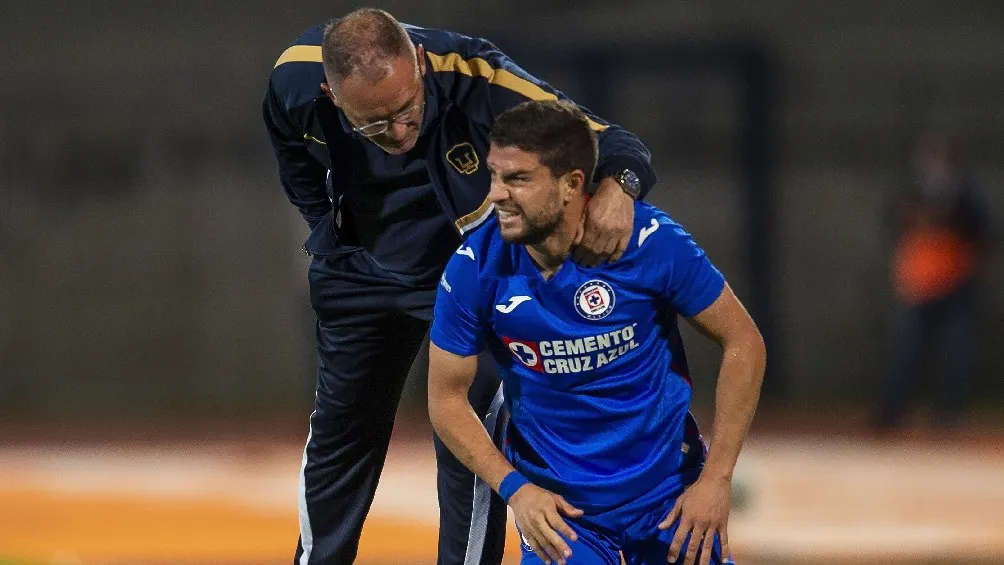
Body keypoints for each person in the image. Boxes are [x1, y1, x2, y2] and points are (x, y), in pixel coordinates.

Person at [262, 8, 656, 565]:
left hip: (462, 280)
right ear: (331, 94)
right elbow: (295, 161)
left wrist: (621, 186)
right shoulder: (292, 83)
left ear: (419, 63)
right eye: (372, 124)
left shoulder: (479, 77)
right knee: (340, 435)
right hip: (360, 271)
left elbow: (610, 140)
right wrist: (331, 231)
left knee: (471, 430)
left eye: (406, 110)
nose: (398, 134)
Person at [427, 99, 765, 565]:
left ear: (571, 185)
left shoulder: (650, 243)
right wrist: (516, 489)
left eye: (518, 179)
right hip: (564, 519)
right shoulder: (474, 267)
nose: (496, 195)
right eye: (494, 176)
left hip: (670, 500)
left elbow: (744, 342)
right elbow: (445, 399)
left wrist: (717, 480)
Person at [876, 130, 990, 431]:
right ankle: (892, 414)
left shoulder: (967, 196)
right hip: (918, 286)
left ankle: (950, 414)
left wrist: (945, 216)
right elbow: (893, 222)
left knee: (956, 353)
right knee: (906, 352)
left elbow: (981, 230)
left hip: (955, 285)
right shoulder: (911, 193)